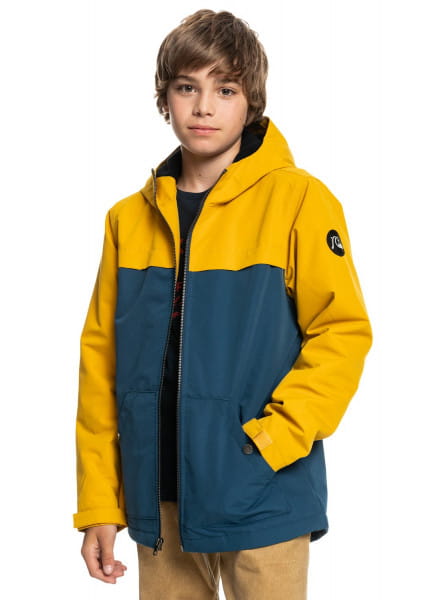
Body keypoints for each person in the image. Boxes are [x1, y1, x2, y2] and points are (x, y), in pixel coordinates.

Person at [73, 8, 373, 599]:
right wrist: (99, 502)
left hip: (264, 493)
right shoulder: (126, 221)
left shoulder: (300, 201)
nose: (204, 107)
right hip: (158, 499)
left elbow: (342, 333)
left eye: (225, 89)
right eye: (187, 87)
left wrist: (274, 440)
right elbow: (101, 365)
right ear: (165, 99)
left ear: (251, 100)